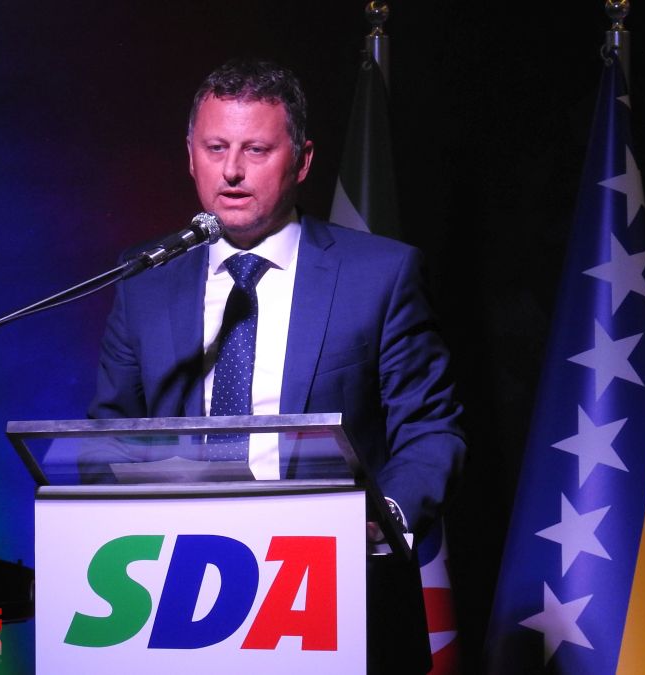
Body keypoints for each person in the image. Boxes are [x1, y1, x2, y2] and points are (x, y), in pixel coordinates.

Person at [88, 58, 465, 671]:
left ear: (303, 160)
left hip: (338, 591)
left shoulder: (380, 275)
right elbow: (111, 433)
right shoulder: (146, 280)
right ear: (191, 156)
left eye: (256, 150)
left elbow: (430, 429)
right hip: (179, 593)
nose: (232, 170)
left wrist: (381, 520)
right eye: (215, 148)